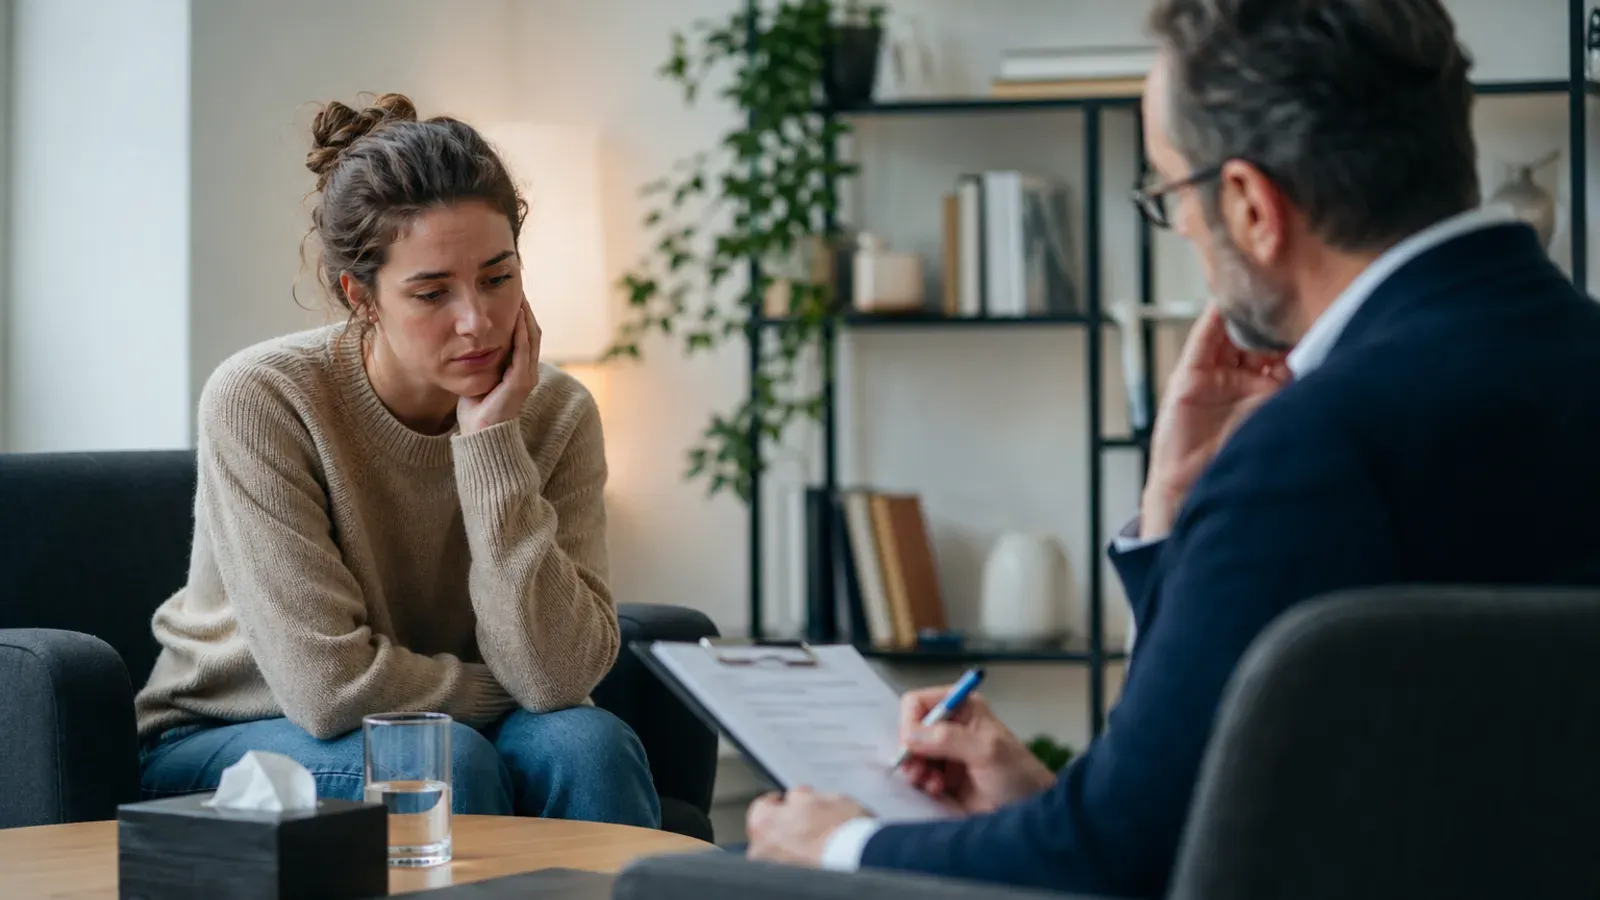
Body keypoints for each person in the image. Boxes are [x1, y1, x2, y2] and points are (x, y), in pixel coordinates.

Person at [742, 0, 1600, 894]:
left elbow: (1117, 863)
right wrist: (1176, 511)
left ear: (1251, 205)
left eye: (1168, 192)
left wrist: (842, 846)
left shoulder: (1315, 449)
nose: (1182, 227)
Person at [133, 92, 659, 828]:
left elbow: (558, 678)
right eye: (432, 292)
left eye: (498, 277)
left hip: (436, 724)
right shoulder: (264, 399)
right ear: (362, 296)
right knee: (442, 760)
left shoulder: (559, 411)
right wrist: (497, 694)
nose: (476, 320)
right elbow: (327, 687)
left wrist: (490, 444)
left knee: (590, 745)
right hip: (230, 735)